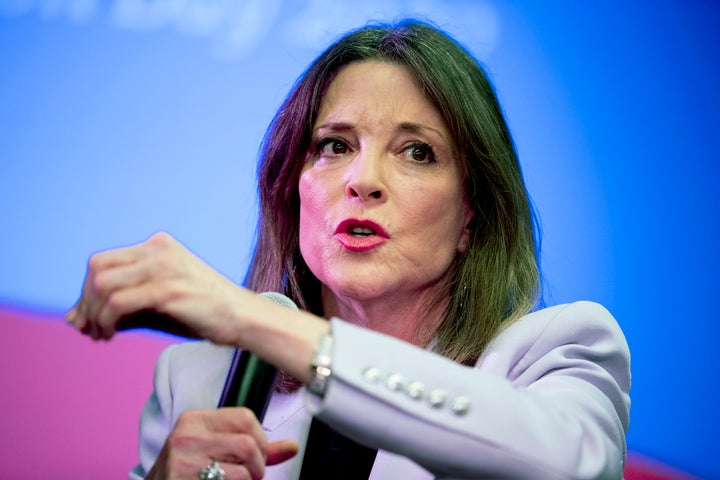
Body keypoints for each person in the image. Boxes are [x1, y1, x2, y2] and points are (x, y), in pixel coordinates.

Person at [66, 19, 631, 480]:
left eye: (417, 152)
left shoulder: (555, 354)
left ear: (469, 218)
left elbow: (567, 467)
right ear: (292, 191)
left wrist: (252, 320)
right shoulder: (195, 384)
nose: (363, 179)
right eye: (335, 145)